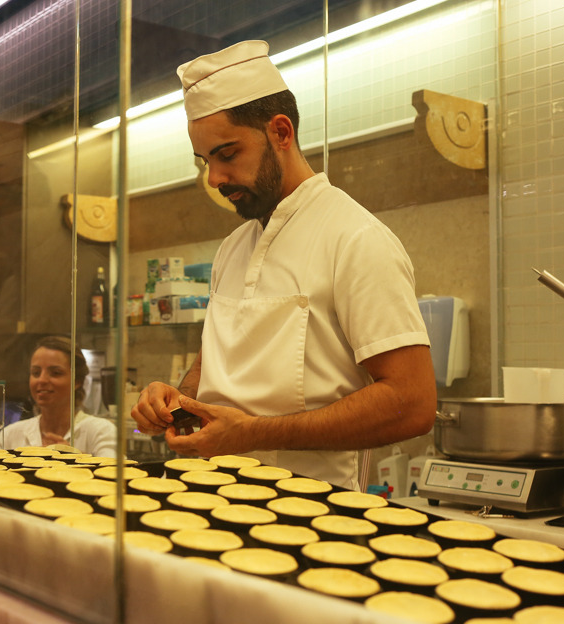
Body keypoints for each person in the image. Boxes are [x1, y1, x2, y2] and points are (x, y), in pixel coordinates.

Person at [130, 40, 437, 490]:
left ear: (281, 132)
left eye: (227, 154)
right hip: (213, 497)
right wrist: (177, 399)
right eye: (206, 161)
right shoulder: (233, 247)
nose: (214, 179)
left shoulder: (356, 239)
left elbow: (412, 403)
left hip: (315, 512)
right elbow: (215, 366)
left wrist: (253, 433)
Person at [0, 335, 117, 457]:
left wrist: (74, 458)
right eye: (36, 373)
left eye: (55, 373)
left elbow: (112, 468)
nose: (42, 380)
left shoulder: (102, 431)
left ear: (77, 381)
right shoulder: (10, 435)